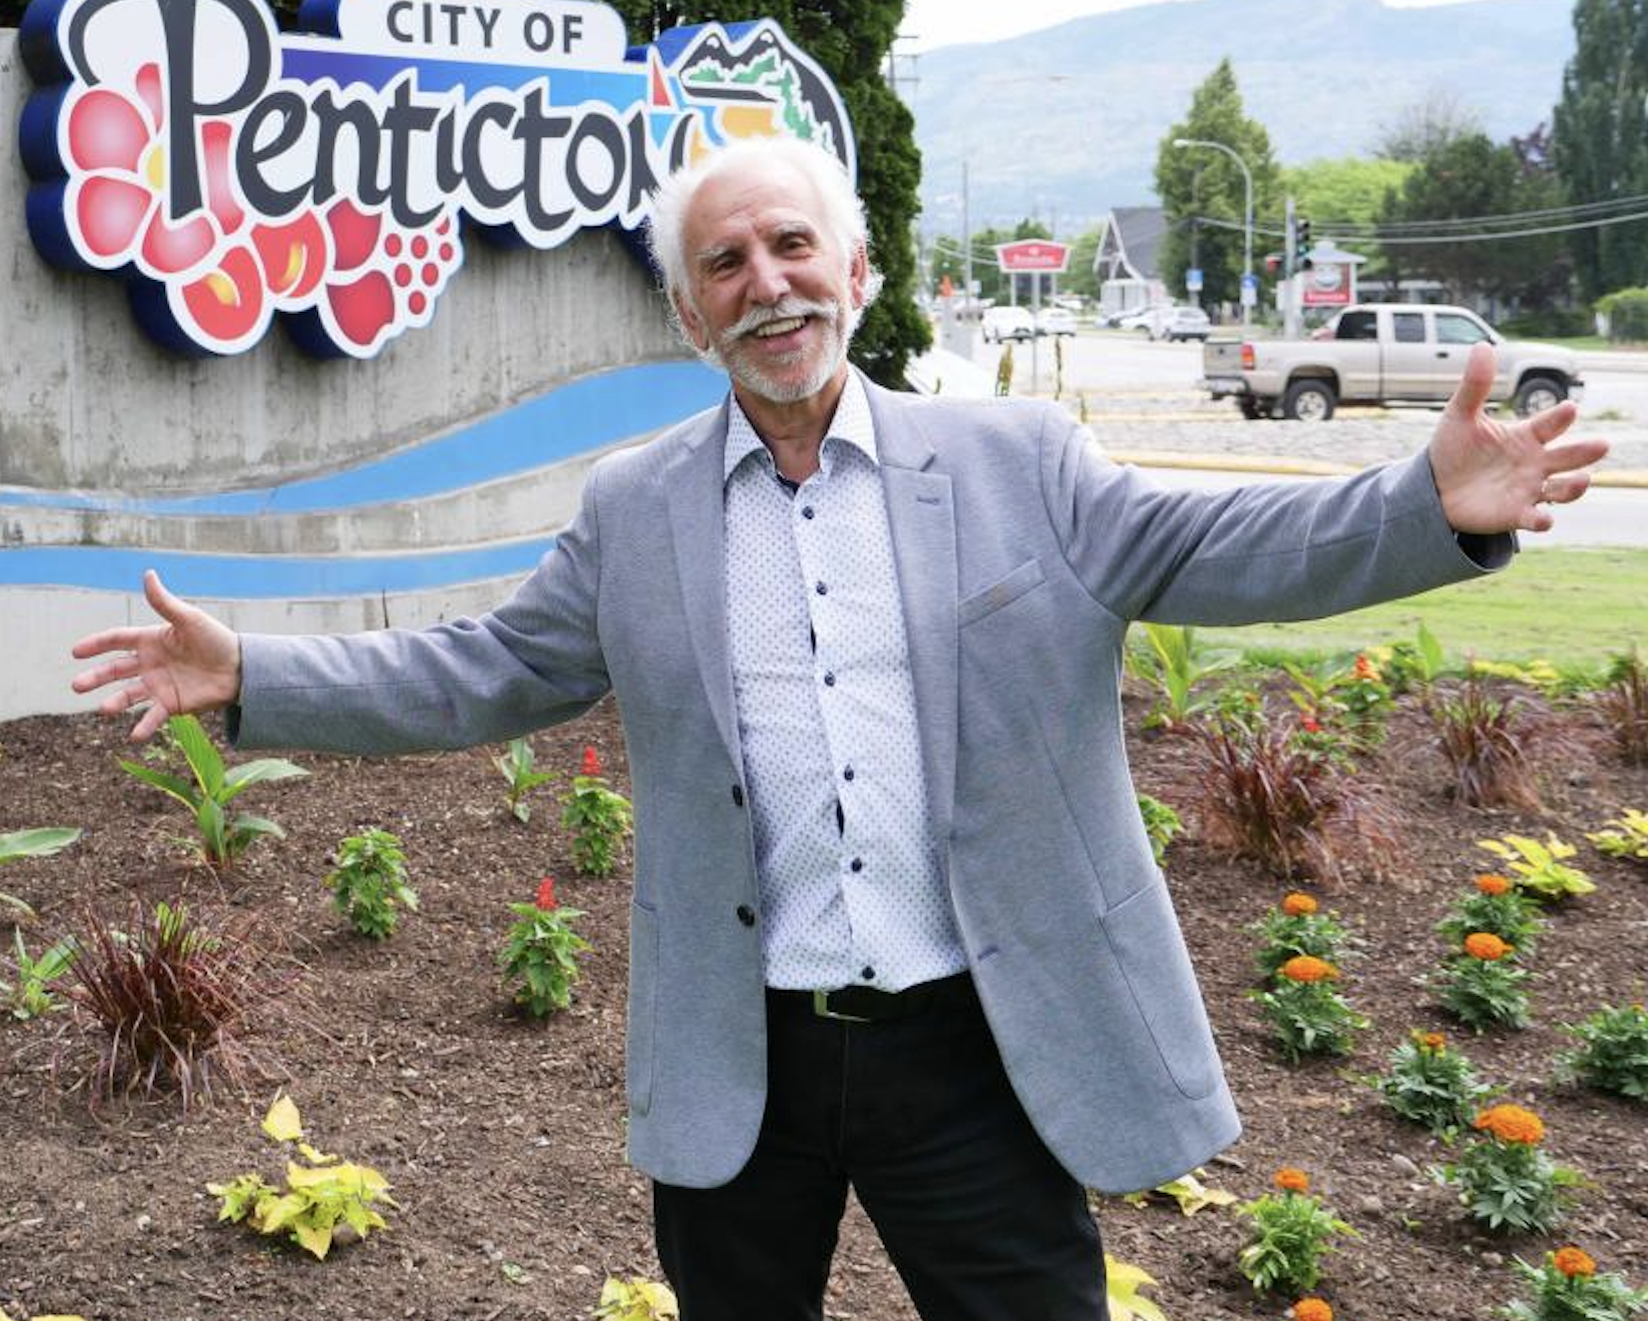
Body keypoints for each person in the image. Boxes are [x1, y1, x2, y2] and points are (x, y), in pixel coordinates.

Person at [72, 136, 1607, 1321]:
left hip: (978, 1051)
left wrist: (1427, 511)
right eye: (726, 262)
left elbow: (1229, 550)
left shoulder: (1022, 460)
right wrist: (251, 672)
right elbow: (483, 671)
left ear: (857, 268)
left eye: (792, 243)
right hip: (749, 1059)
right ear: (690, 312)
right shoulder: (634, 513)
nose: (767, 282)